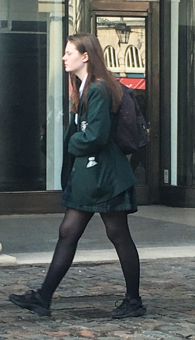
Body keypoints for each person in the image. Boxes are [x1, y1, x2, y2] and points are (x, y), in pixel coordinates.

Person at [9, 33, 145, 318]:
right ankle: (43, 297)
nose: (64, 57)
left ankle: (133, 300)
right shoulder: (88, 87)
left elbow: (96, 135)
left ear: (85, 56)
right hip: (95, 175)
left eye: (69, 52)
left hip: (105, 176)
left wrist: (70, 143)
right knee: (70, 232)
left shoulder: (96, 88)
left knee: (118, 235)